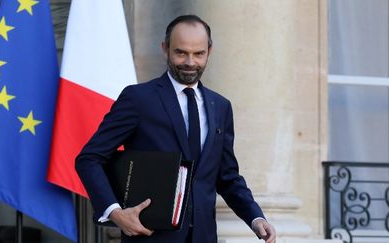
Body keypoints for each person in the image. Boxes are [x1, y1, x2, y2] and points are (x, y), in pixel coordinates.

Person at [75, 14, 276, 243]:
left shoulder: (221, 106)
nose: (190, 62)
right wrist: (115, 213)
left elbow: (227, 176)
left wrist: (256, 218)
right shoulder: (138, 99)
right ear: (165, 49)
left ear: (209, 51)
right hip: (149, 237)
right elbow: (89, 158)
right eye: (181, 52)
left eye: (198, 53)